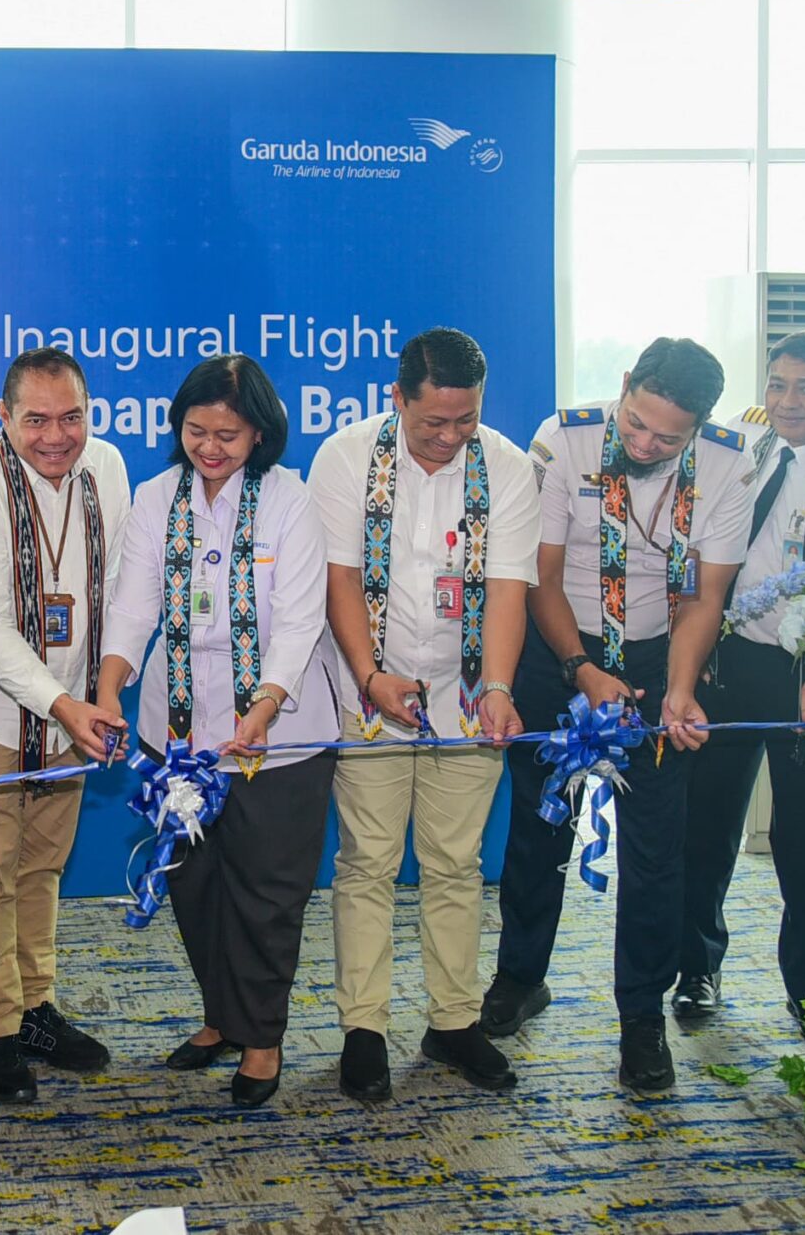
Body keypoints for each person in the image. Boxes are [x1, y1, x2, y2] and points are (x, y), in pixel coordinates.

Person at [487, 337, 754, 1093]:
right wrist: (581, 667)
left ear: (699, 425)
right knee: (540, 830)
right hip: (560, 645)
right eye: (637, 424)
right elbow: (538, 574)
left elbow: (706, 593)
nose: (645, 444)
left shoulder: (731, 464)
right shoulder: (564, 436)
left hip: (659, 651)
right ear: (626, 386)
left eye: (667, 438)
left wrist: (679, 688)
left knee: (656, 850)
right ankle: (518, 978)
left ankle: (642, 1016)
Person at [305, 329, 540, 1100]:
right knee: (368, 862)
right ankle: (364, 1027)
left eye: (464, 420)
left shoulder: (504, 465)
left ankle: (452, 1020)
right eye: (431, 420)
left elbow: (509, 586)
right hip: (369, 691)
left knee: (455, 864)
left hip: (467, 696)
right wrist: (368, 674)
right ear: (397, 398)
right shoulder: (344, 457)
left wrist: (499, 685)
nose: (448, 437)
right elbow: (339, 580)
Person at [100, 354, 337, 1110]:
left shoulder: (289, 500)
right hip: (176, 737)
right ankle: (220, 1017)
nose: (210, 446)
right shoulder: (153, 496)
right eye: (196, 430)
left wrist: (263, 704)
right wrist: (108, 685)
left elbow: (302, 618)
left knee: (267, 893)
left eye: (227, 434)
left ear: (259, 433)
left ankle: (260, 1036)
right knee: (195, 888)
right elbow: (134, 607)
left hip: (277, 736)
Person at [0, 347, 133, 1104]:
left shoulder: (107, 469)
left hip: (78, 714)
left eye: (72, 416)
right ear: (4, 418)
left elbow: (122, 587)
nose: (57, 436)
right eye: (37, 419)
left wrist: (104, 689)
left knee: (43, 867)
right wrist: (63, 704)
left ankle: (34, 1006)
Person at [677, 332, 805, 1025]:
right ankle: (696, 967)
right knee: (704, 825)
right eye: (779, 384)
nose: (788, 402)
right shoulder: (745, 434)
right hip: (733, 656)